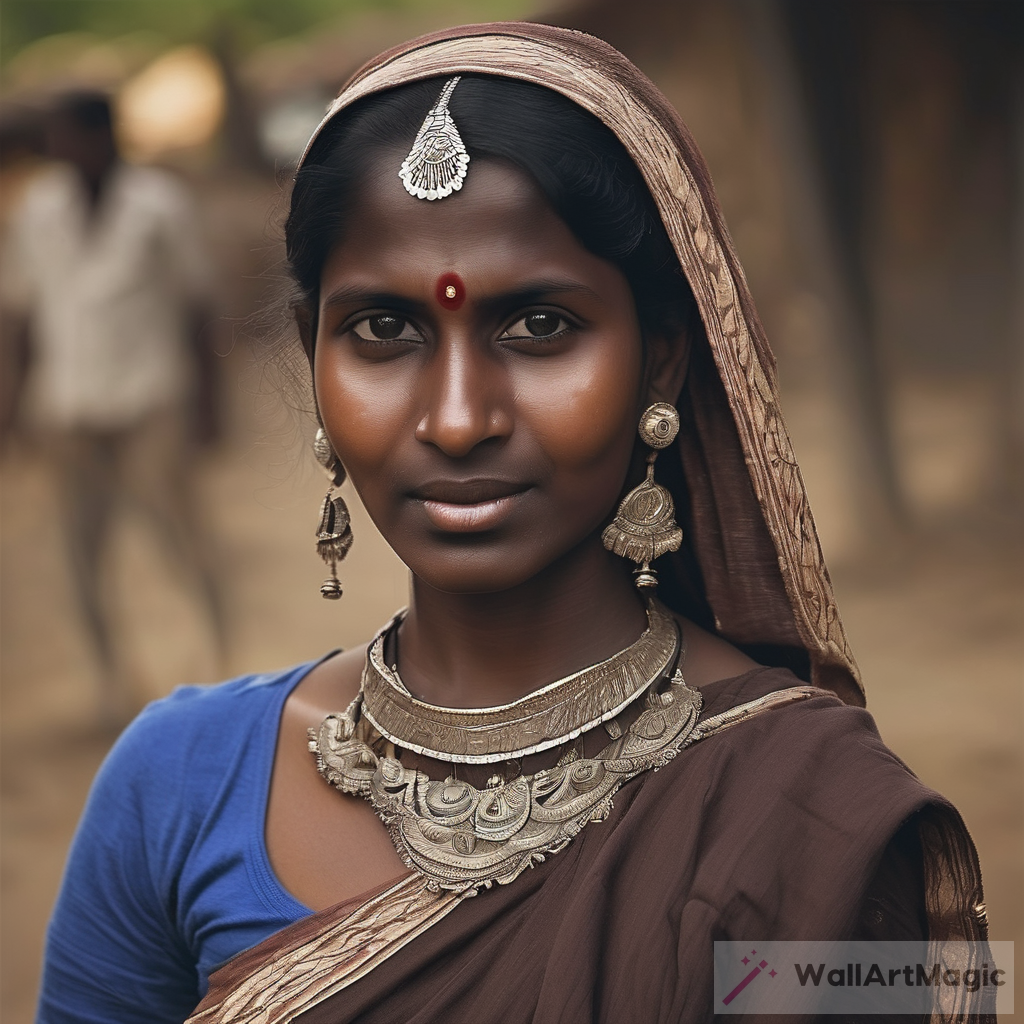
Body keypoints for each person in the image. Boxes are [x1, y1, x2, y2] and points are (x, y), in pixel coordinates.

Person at [37, 24, 989, 1024]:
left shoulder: (810, 811)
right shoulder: (175, 780)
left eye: (538, 326)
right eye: (383, 330)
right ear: (315, 362)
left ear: (661, 359)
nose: (456, 418)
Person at [2, 91, 226, 724]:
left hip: (150, 398)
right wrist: (10, 406)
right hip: (68, 405)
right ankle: (111, 683)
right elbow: (21, 317)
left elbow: (197, 307)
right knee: (82, 553)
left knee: (179, 539)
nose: (62, 151)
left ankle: (212, 668)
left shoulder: (158, 204)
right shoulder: (37, 211)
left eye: (72, 136)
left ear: (104, 136)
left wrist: (211, 407)